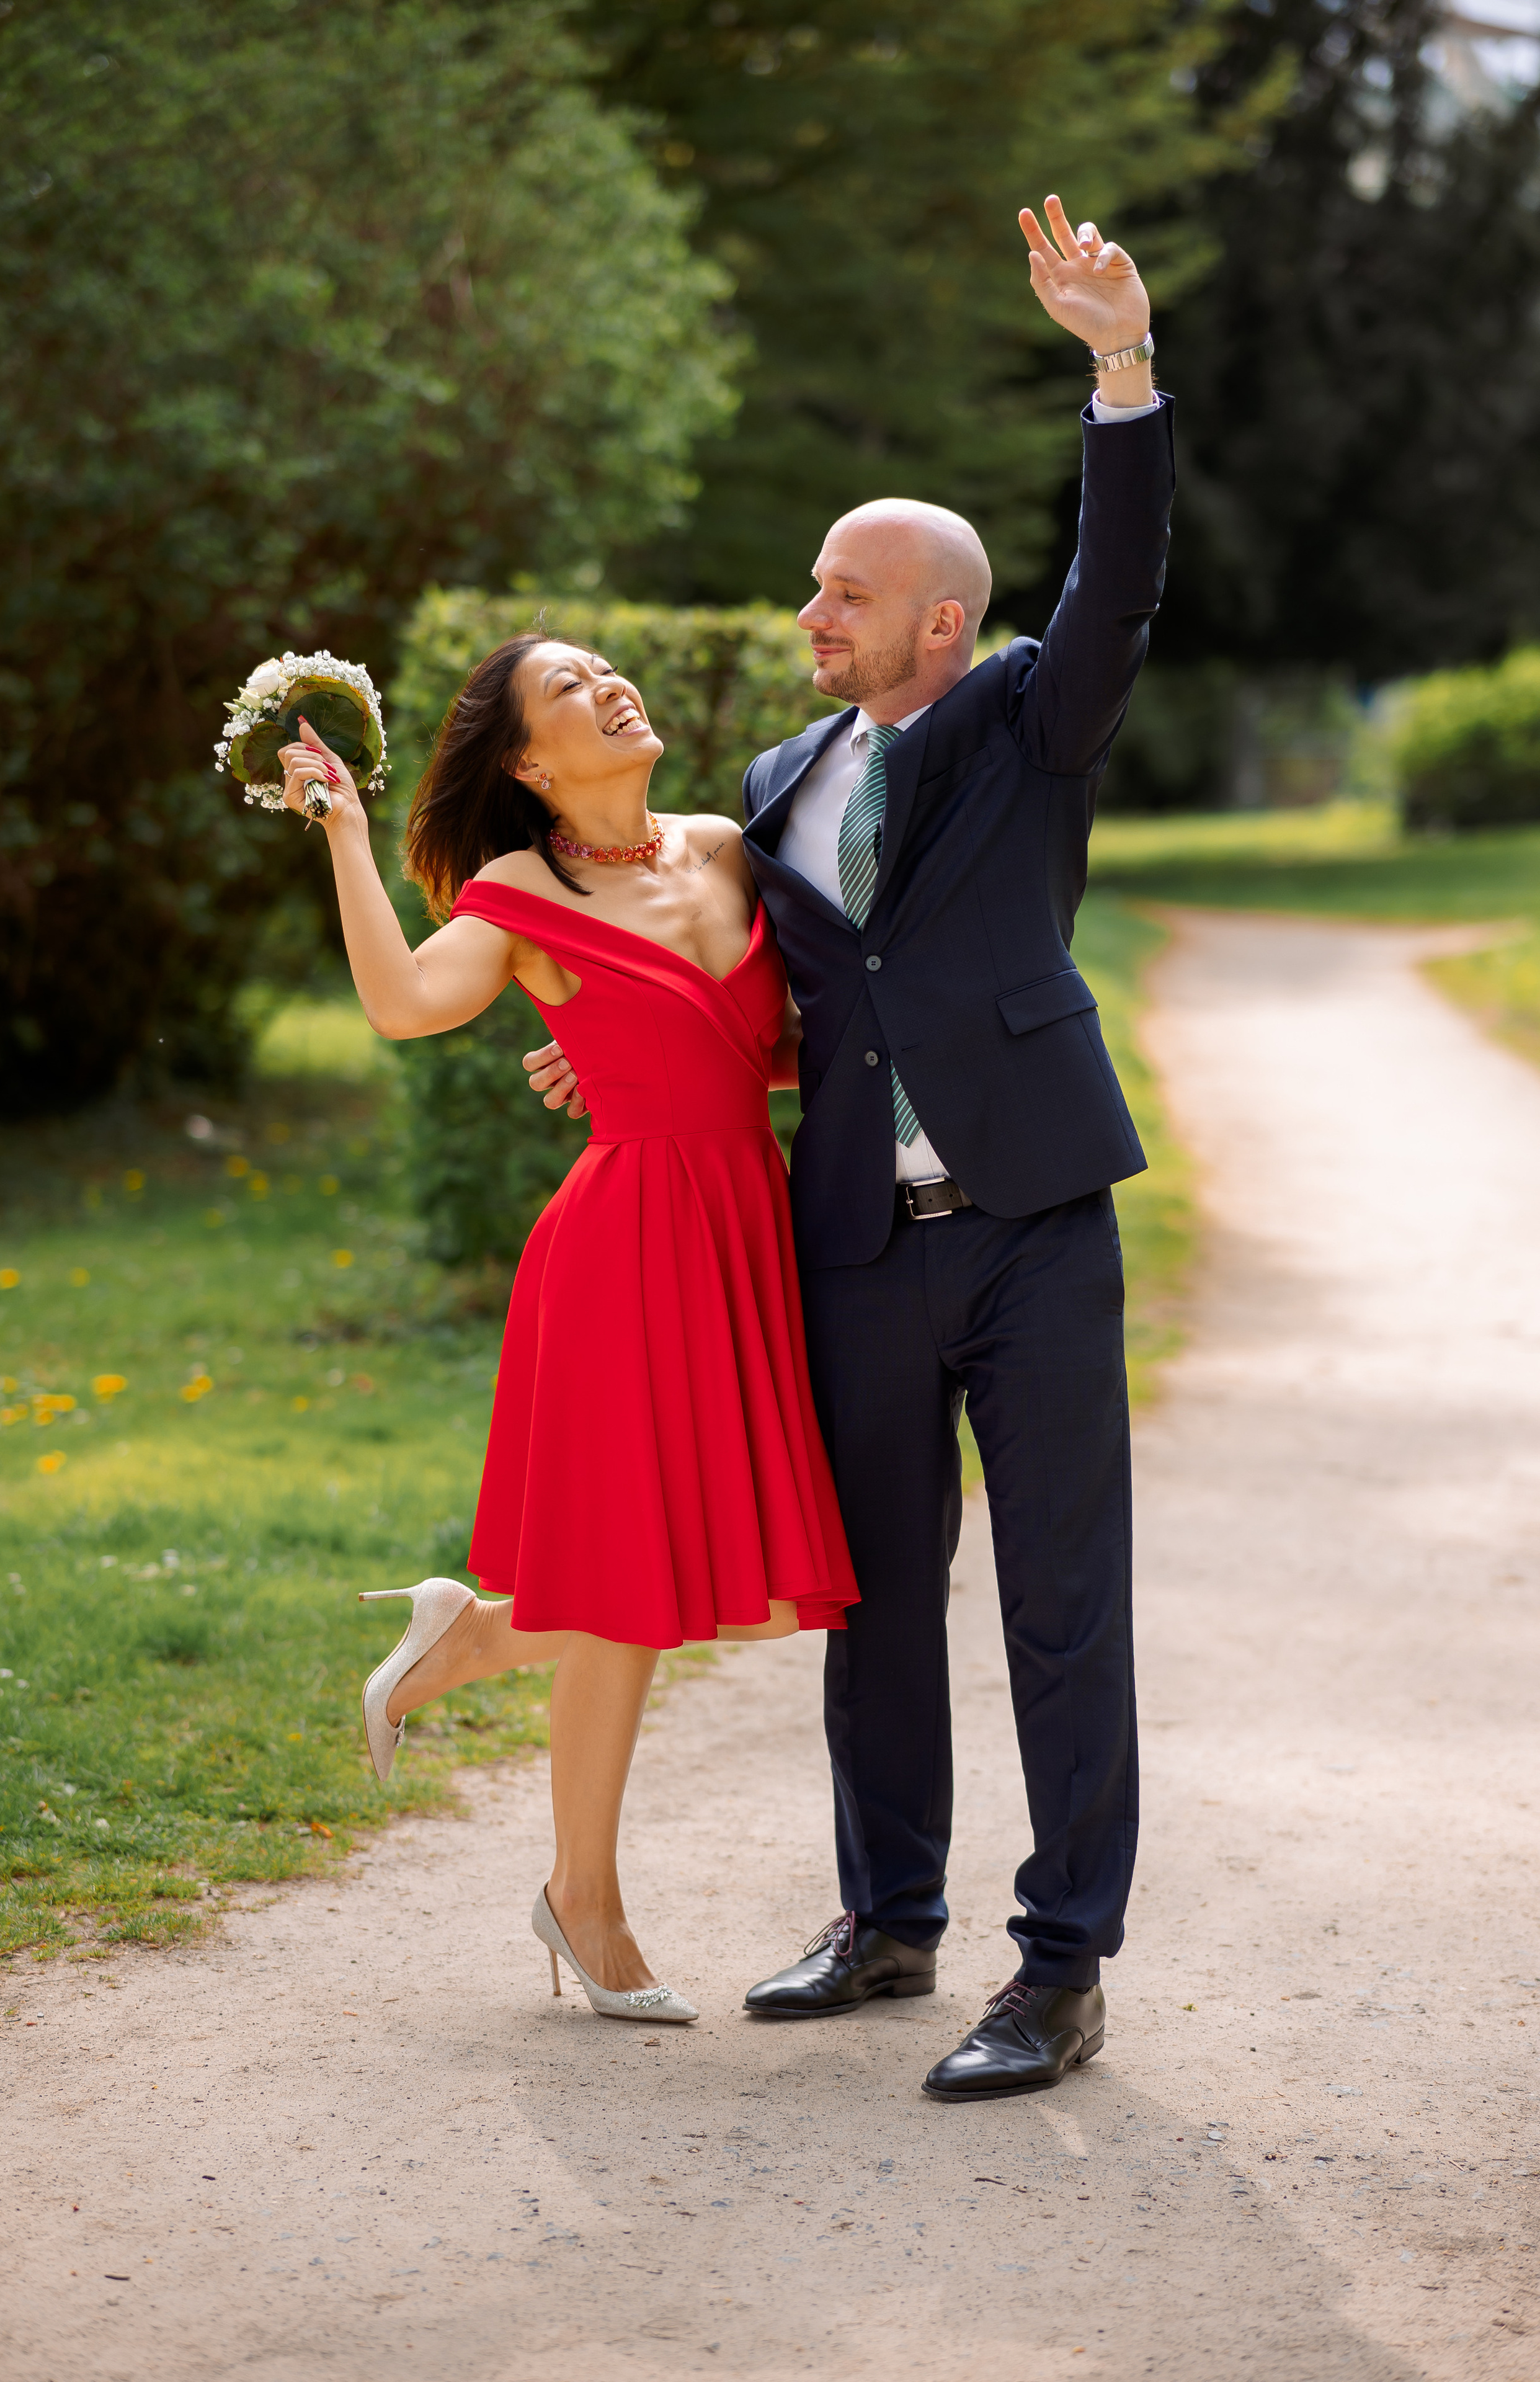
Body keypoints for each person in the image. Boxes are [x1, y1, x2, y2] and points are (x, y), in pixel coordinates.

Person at [523, 196, 1174, 2097]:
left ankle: (1059, 1968)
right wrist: (617, 1067)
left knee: (1064, 1608)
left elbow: (1122, 579)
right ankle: (890, 1923)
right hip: (862, 1250)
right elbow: (763, 1002)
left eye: (843, 595)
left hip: (1035, 1225)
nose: (810, 616)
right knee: (874, 1597)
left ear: (943, 623)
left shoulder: (1027, 720)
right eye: (814, 587)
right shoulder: (771, 788)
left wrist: (1116, 368)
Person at [273, 633, 858, 2028]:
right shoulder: (514, 892)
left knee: (728, 1570)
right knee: (641, 1579)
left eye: (608, 669)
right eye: (569, 689)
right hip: (621, 1248)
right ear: (530, 764)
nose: (609, 688)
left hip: (742, 1229)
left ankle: (471, 1641)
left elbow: (783, 1045)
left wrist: (635, 1038)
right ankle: (579, 1896)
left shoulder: (725, 846)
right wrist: (347, 835)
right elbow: (402, 1004)